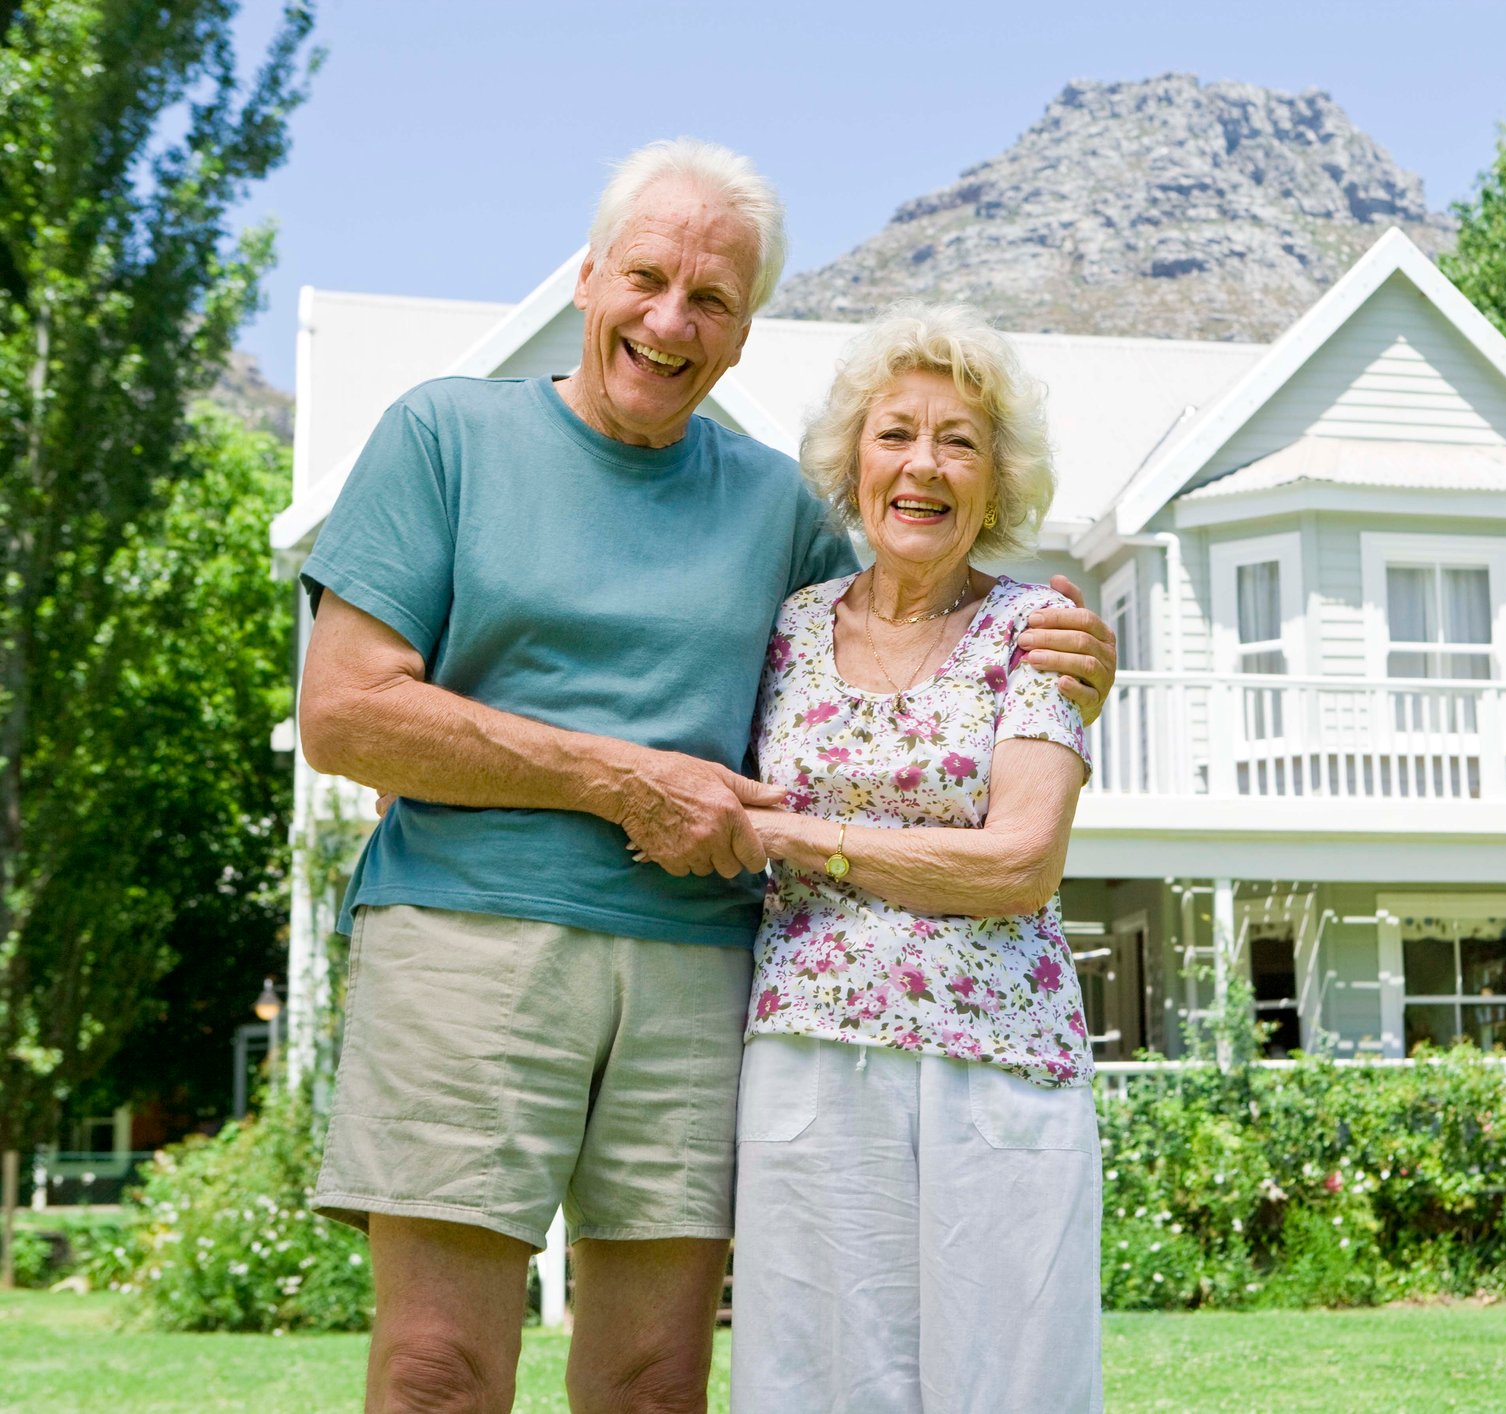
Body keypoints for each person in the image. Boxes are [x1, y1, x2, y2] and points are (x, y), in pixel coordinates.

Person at [295, 141, 1115, 1414]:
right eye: (648, 278)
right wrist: (625, 780)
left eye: (713, 299)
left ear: (744, 333)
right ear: (587, 278)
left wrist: (1070, 650)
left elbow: (909, 611)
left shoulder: (776, 510)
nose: (671, 320)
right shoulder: (445, 433)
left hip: (700, 970)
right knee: (436, 1369)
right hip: (467, 933)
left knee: (653, 1382)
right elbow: (345, 713)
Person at [725, 304, 1102, 1412]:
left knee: (1008, 1380)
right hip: (806, 1053)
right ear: (853, 459)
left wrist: (798, 838)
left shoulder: (1036, 631)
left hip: (997, 1060)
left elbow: (1020, 862)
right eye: (896, 433)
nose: (922, 467)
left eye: (959, 441)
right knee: (814, 1377)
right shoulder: (786, 627)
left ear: (998, 481)